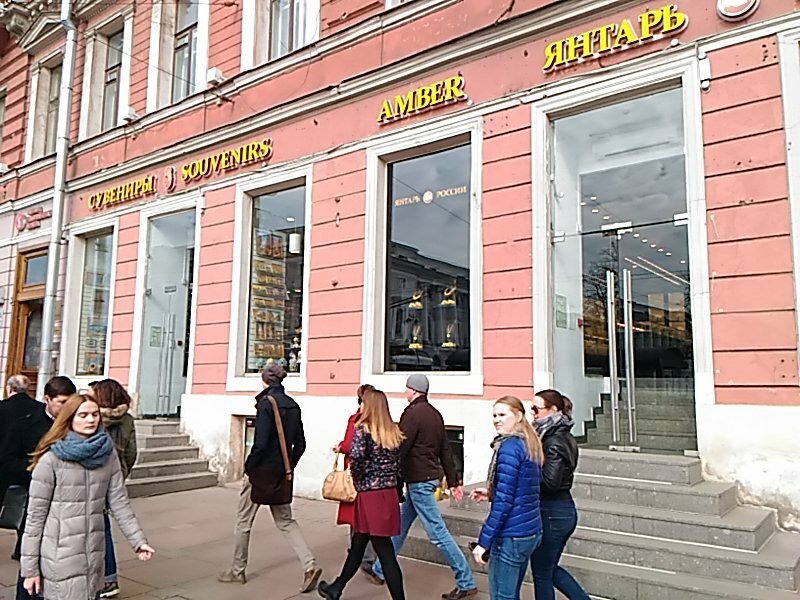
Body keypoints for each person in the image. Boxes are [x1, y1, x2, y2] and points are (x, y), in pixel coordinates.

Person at [20, 394, 155, 600]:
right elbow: (35, 519)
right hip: (60, 555)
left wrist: (138, 541)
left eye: (94, 414)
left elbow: (119, 502)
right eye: (83, 415)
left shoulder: (108, 455)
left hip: (94, 553)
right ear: (69, 418)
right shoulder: (51, 460)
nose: (91, 420)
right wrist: (30, 570)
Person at [368, 374, 478, 600]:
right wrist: (453, 481)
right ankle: (380, 569)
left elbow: (401, 446)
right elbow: (445, 449)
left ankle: (466, 581)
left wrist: (391, 475)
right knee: (400, 527)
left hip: (418, 481)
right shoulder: (435, 414)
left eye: (407, 388)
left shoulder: (412, 414)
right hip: (425, 478)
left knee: (438, 533)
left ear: (413, 390)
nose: (405, 392)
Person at [217, 363, 322, 592]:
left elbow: (261, 444)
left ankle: (237, 570)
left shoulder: (266, 403)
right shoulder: (293, 405)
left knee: (244, 521)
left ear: (264, 380)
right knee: (286, 521)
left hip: (260, 473)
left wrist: (249, 468)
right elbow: (301, 444)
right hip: (281, 473)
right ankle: (309, 564)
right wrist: (288, 466)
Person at [318, 388, 406, 600]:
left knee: (384, 552)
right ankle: (336, 587)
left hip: (369, 495)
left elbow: (356, 459)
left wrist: (358, 480)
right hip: (388, 494)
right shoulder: (393, 431)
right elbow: (397, 465)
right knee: (358, 544)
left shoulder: (363, 429)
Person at [3, 375, 76, 600]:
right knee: (31, 559)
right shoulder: (26, 423)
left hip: (68, 503)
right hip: (35, 498)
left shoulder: (76, 425)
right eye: (62, 402)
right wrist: (38, 470)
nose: (67, 408)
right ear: (47, 399)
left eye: (70, 402)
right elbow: (8, 459)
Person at [469, 396, 544, 600]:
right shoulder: (528, 442)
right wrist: (491, 493)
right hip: (530, 530)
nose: (496, 420)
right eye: (494, 415)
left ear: (518, 416)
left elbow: (504, 502)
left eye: (502, 415)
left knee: (502, 596)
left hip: (512, 534)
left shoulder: (509, 447)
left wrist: (484, 542)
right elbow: (523, 487)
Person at [530, 390, 591, 600]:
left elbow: (550, 482)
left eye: (536, 409)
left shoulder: (554, 439)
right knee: (548, 568)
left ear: (553, 410)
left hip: (553, 511)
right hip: (558, 509)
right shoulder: (558, 435)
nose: (533, 413)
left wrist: (525, 477)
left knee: (542, 572)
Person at [87, 380, 138, 599]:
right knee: (103, 524)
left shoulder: (92, 417)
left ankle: (103, 577)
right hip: (115, 477)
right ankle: (109, 578)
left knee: (98, 527)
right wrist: (122, 473)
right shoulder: (127, 418)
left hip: (92, 476)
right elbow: (132, 452)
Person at [333, 383, 377, 571]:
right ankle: (367, 556)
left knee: (357, 517)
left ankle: (361, 555)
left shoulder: (356, 419)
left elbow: (350, 446)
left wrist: (340, 447)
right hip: (376, 478)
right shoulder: (380, 419)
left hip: (357, 475)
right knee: (370, 518)